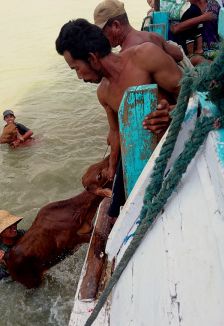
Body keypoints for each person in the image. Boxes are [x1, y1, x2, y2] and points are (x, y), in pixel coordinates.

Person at [56, 19, 181, 221]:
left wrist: (171, 113)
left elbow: (192, 91)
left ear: (92, 58)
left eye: (76, 68)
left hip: (175, 145)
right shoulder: (103, 93)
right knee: (116, 213)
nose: (79, 77)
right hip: (139, 158)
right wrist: (112, 167)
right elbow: (115, 132)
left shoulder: (145, 57)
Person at [170, 0, 221, 65]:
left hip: (214, 52)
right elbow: (175, 29)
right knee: (200, 61)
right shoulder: (180, 6)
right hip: (189, 56)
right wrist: (201, 18)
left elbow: (221, 32)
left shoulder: (214, 4)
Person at [0, 210, 27, 283]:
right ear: (1, 232)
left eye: (14, 223)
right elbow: (4, 280)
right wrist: (2, 262)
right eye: (9, 226)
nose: (13, 227)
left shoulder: (22, 234)